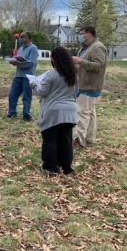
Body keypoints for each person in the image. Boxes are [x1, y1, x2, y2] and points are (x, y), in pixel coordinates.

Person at [30, 47, 77, 176]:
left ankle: (51, 168)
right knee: (65, 140)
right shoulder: (73, 74)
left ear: (54, 59)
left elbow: (42, 92)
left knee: (50, 140)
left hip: (54, 111)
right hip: (70, 111)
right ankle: (67, 169)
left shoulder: (51, 74)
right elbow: (75, 92)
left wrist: (33, 84)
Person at [72, 25, 107, 148]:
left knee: (82, 113)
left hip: (90, 85)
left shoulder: (98, 47)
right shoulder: (86, 48)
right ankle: (90, 138)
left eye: (81, 33)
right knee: (90, 112)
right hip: (83, 83)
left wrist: (80, 61)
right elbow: (84, 65)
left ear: (88, 34)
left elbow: (98, 66)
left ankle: (79, 141)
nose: (79, 36)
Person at [6, 31, 39, 121]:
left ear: (28, 38)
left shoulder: (33, 48)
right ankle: (12, 112)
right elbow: (18, 59)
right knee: (12, 94)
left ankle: (26, 115)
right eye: (20, 37)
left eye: (22, 37)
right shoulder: (21, 48)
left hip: (28, 76)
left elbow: (31, 63)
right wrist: (13, 61)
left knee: (26, 96)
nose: (20, 38)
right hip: (18, 75)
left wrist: (18, 64)